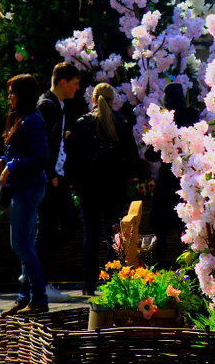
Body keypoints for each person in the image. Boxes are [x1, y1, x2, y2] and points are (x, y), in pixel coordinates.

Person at [65, 83, 141, 295]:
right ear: (112, 100)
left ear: (93, 99)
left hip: (88, 187)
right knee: (112, 235)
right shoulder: (121, 123)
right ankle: (112, 281)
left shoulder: (82, 123)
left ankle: (89, 283)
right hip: (114, 187)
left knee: (90, 234)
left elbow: (73, 156)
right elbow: (132, 156)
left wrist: (74, 180)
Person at [0, 74, 49, 316]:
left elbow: (41, 158)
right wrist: (3, 161)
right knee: (26, 245)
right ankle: (25, 298)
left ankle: (39, 299)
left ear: (23, 94)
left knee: (21, 245)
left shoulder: (33, 120)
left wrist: (12, 166)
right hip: (21, 188)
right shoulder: (21, 118)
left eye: (12, 92)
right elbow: (20, 150)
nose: (9, 97)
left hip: (29, 188)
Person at [36, 61, 81, 302]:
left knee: (57, 226)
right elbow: (41, 142)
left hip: (57, 176)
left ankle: (35, 273)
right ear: (62, 82)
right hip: (51, 177)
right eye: (74, 84)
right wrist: (51, 173)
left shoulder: (57, 104)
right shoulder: (48, 105)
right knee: (51, 226)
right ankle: (39, 278)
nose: (77, 88)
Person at [148, 82, 198, 268]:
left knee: (161, 229)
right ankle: (189, 272)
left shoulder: (165, 120)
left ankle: (161, 269)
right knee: (186, 228)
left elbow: (150, 154)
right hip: (188, 178)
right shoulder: (193, 117)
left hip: (167, 178)